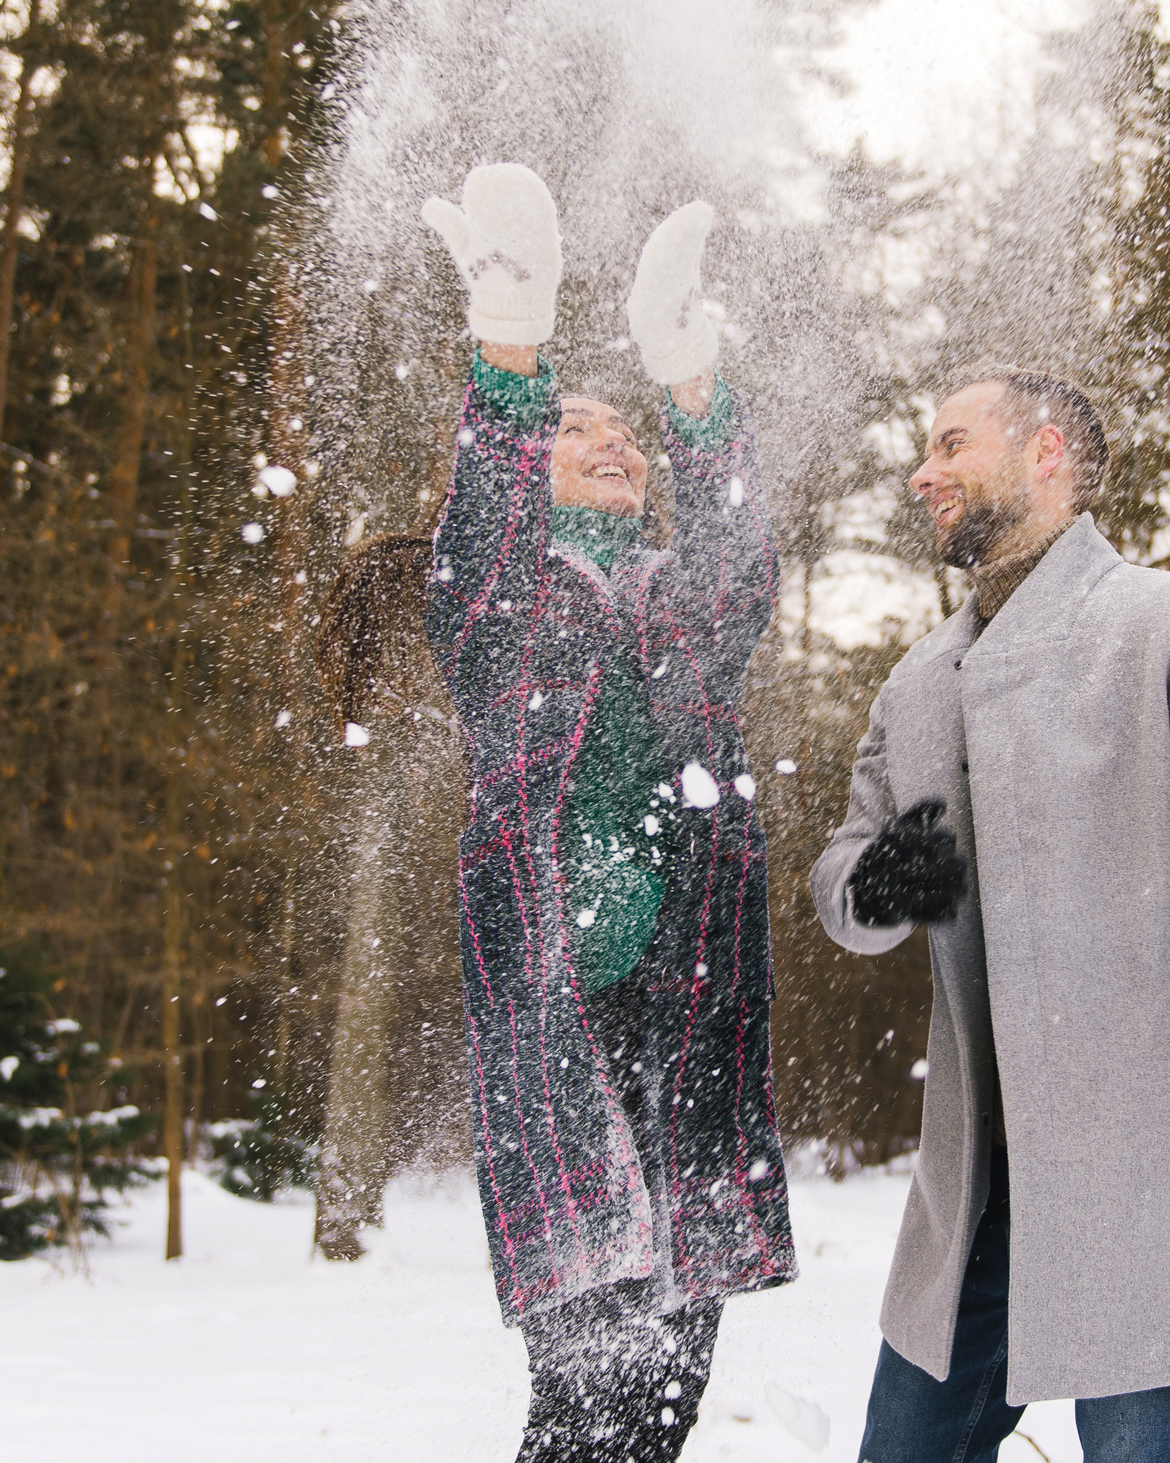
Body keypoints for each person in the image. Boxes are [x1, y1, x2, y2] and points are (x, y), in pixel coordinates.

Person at [809, 369, 1170, 1463]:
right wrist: (870, 887)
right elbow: (841, 879)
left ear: (1046, 452)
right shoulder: (918, 682)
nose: (924, 473)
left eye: (952, 444)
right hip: (970, 1204)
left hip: (1142, 1197)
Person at [420, 164, 796, 1463]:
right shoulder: (503, 607)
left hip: (689, 1045)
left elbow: (740, 567)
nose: (612, 440)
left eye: (626, 434)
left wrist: (691, 385)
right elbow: (480, 527)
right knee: (585, 1415)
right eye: (581, 429)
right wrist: (513, 355)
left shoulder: (676, 615)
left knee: (660, 1410)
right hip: (563, 1050)